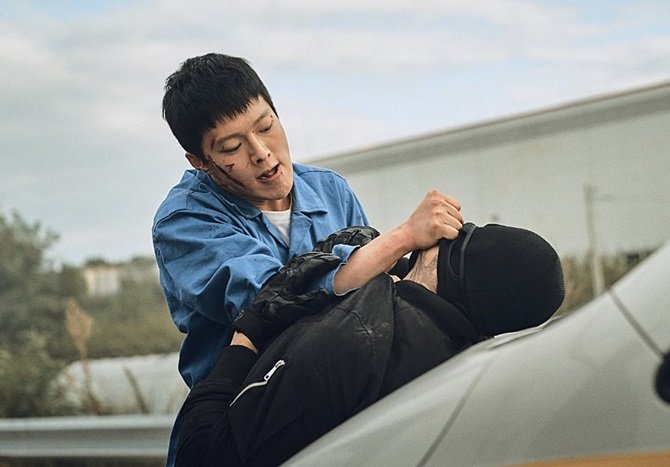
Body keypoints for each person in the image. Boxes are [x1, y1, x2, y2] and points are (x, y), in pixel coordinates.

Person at [152, 53, 464, 465]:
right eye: (232, 147)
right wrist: (403, 238)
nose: (261, 152)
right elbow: (277, 299)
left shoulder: (331, 190)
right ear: (200, 162)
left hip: (346, 415)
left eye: (266, 126)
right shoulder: (185, 221)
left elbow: (376, 303)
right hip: (248, 428)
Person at [174, 222, 566, 466]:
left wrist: (247, 336)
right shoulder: (465, 368)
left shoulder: (353, 334)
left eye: (453, 237)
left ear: (452, 266)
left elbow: (203, 453)